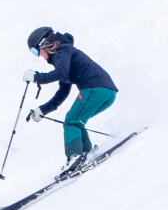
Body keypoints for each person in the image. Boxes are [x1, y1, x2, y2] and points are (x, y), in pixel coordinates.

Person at [23, 26, 117, 171]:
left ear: (44, 44)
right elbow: (62, 91)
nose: (39, 56)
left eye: (36, 51)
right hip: (106, 92)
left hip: (95, 88)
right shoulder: (63, 57)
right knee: (77, 121)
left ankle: (75, 157)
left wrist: (37, 77)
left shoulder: (63, 51)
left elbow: (61, 73)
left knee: (71, 121)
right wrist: (42, 110)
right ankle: (86, 154)